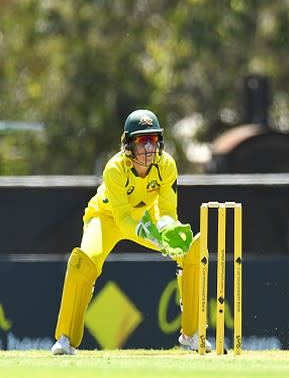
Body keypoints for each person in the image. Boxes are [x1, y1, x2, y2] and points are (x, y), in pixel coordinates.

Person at [51, 109, 209, 355]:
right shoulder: (114, 168)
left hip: (144, 217)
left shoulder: (166, 165)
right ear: (128, 144)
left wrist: (166, 228)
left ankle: (191, 335)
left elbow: (167, 210)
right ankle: (65, 338)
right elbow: (122, 219)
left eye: (153, 140)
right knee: (85, 261)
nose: (149, 148)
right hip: (106, 217)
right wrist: (147, 232)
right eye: (142, 141)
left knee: (188, 252)